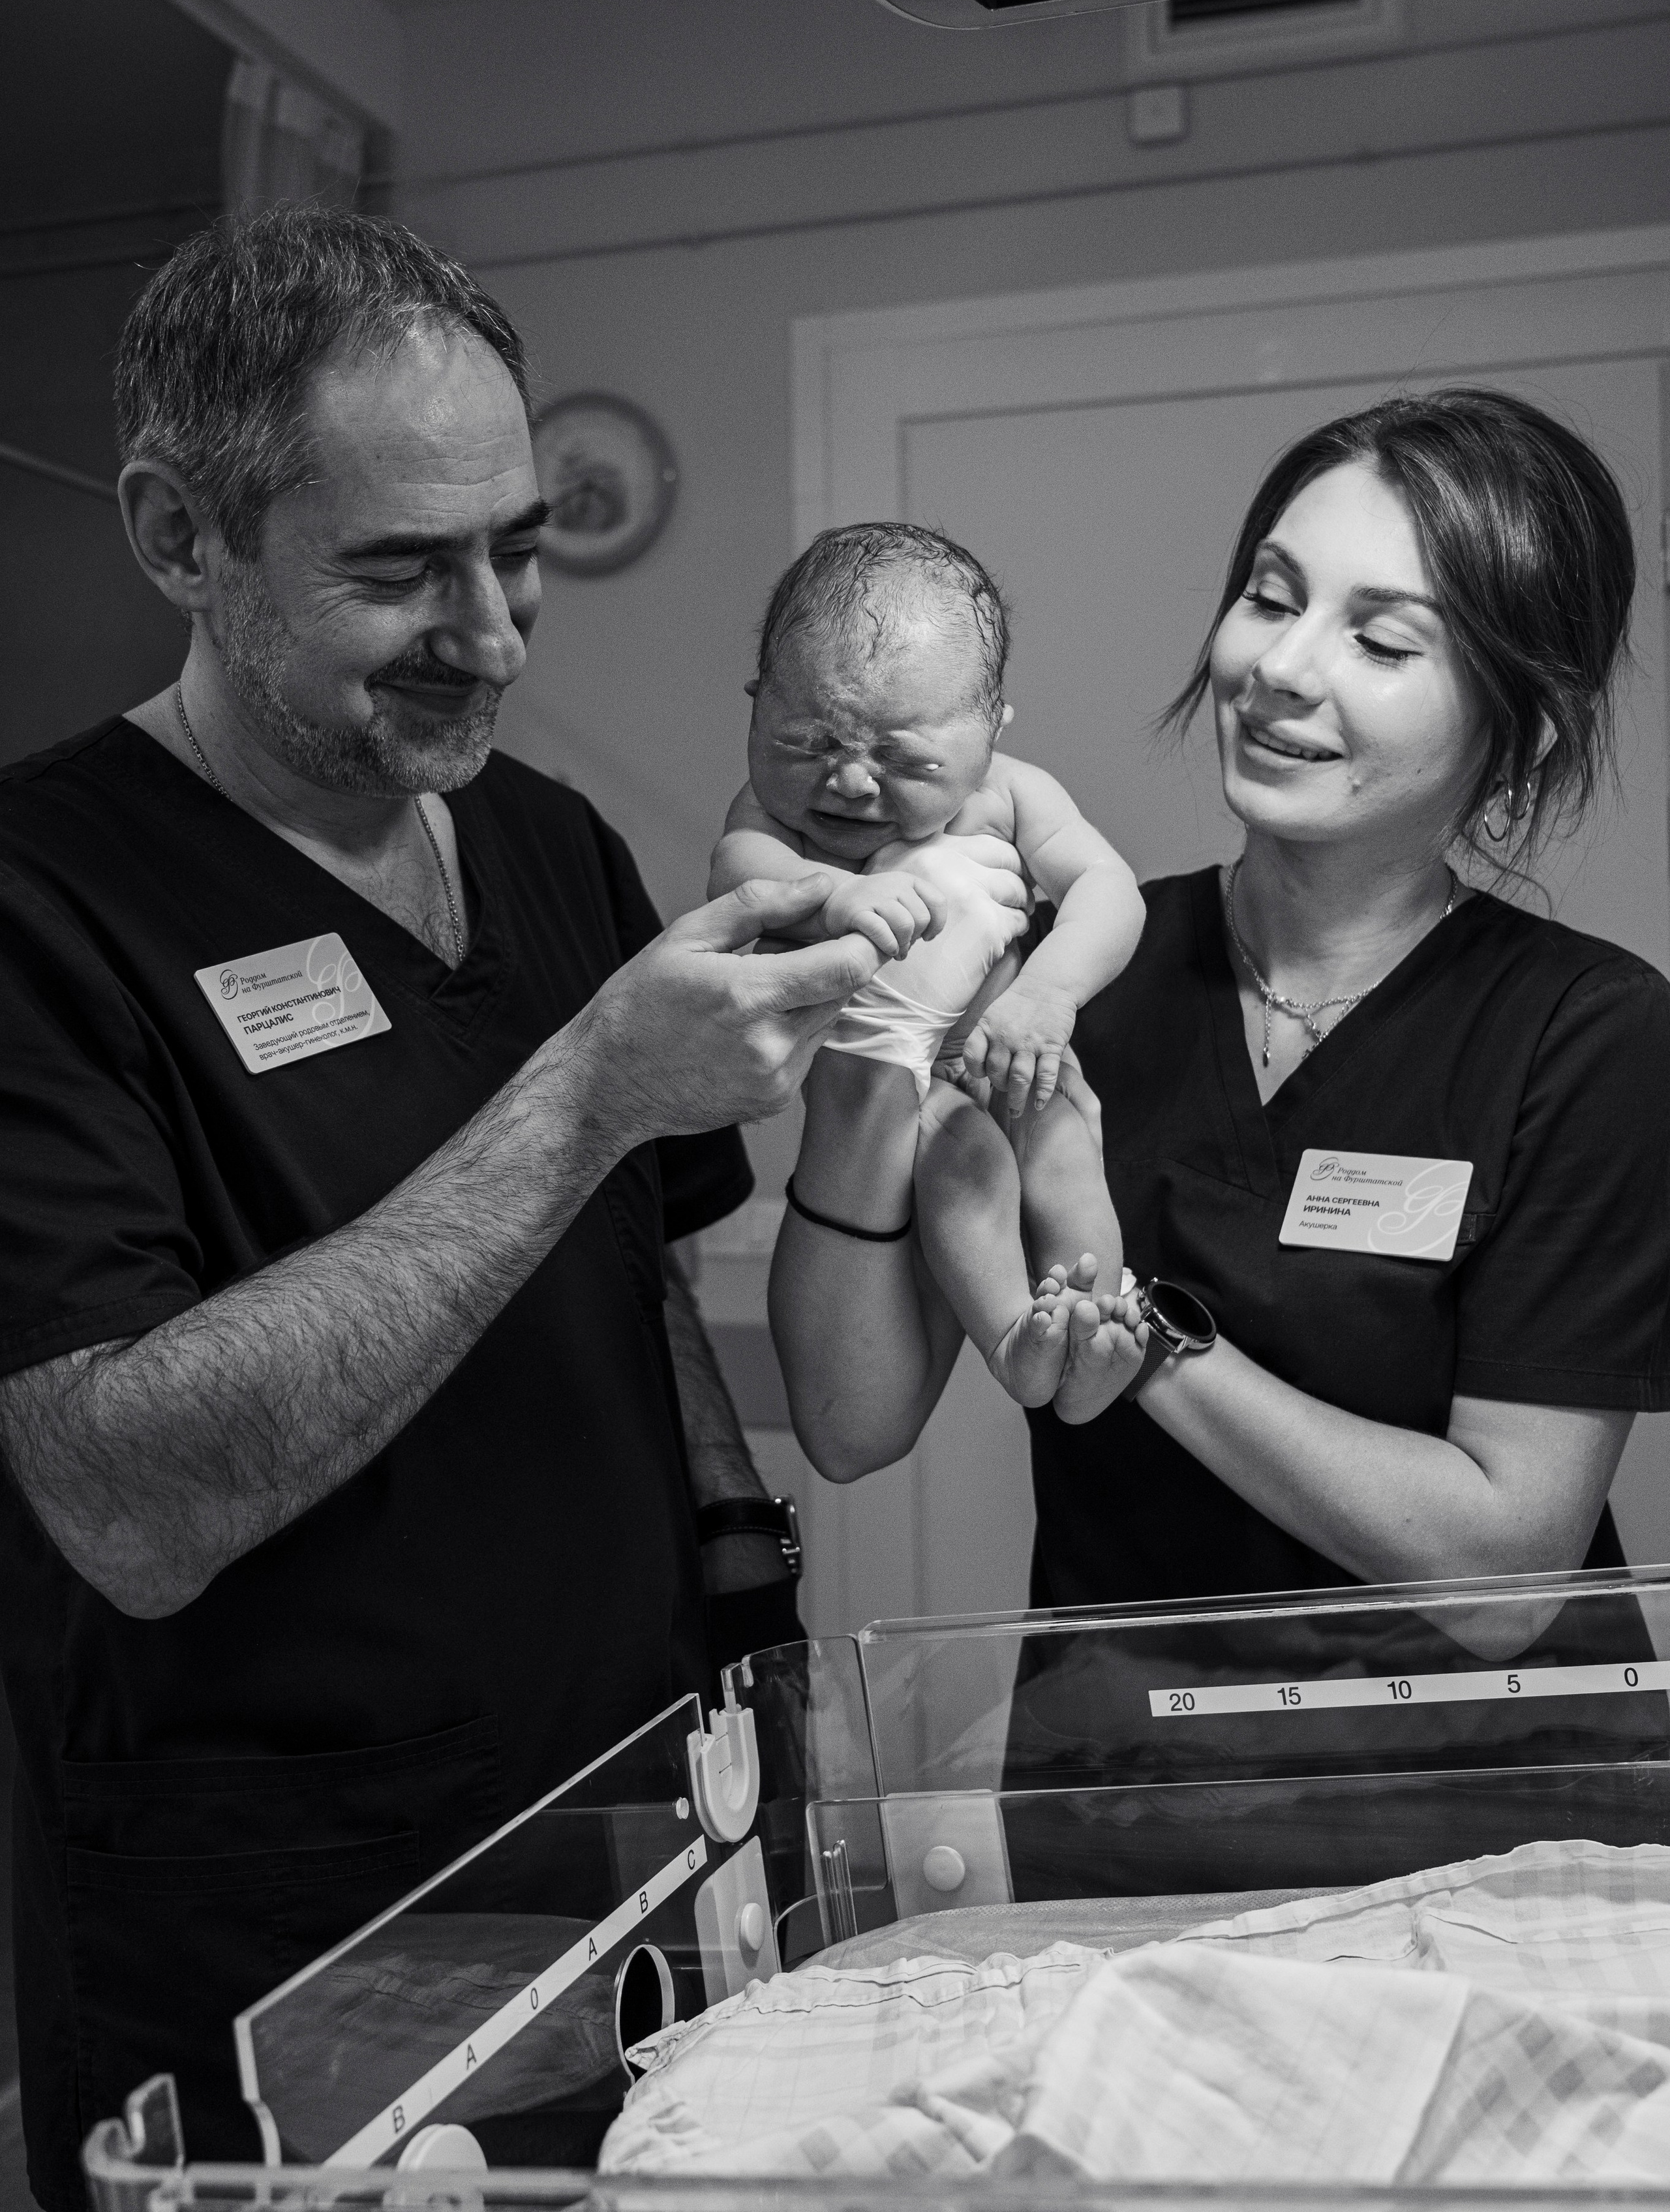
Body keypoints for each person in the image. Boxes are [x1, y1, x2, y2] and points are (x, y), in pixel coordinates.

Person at [0, 209, 880, 2205]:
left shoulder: (545, 838)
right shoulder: (44, 907)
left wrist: (754, 1633)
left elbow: (642, 1290)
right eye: (401, 572)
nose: (490, 633)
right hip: (280, 1906)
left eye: (522, 546)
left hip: (637, 1821)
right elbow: (122, 1505)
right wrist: (577, 1092)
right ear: (177, 538)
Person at [772, 390, 1670, 1647]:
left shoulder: (1587, 1032)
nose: (1280, 668)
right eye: (1270, 595)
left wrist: (1135, 1343)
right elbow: (848, 1424)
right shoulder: (1062, 984)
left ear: (1520, 726)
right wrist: (869, 1043)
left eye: (1384, 641)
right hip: (1114, 1792)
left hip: (1480, 1800)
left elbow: (1504, 1576)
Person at [712, 523, 1144, 1408]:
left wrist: (1048, 996)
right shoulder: (771, 815)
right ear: (757, 705)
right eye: (808, 742)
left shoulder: (1013, 793)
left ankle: (1093, 1333)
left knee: (1063, 1151)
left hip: (1016, 1047)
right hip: (915, 1095)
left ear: (991, 730)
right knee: (963, 1165)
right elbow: (737, 872)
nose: (853, 784)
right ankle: (1014, 1340)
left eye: (903, 758)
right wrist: (824, 893)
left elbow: (1108, 887)